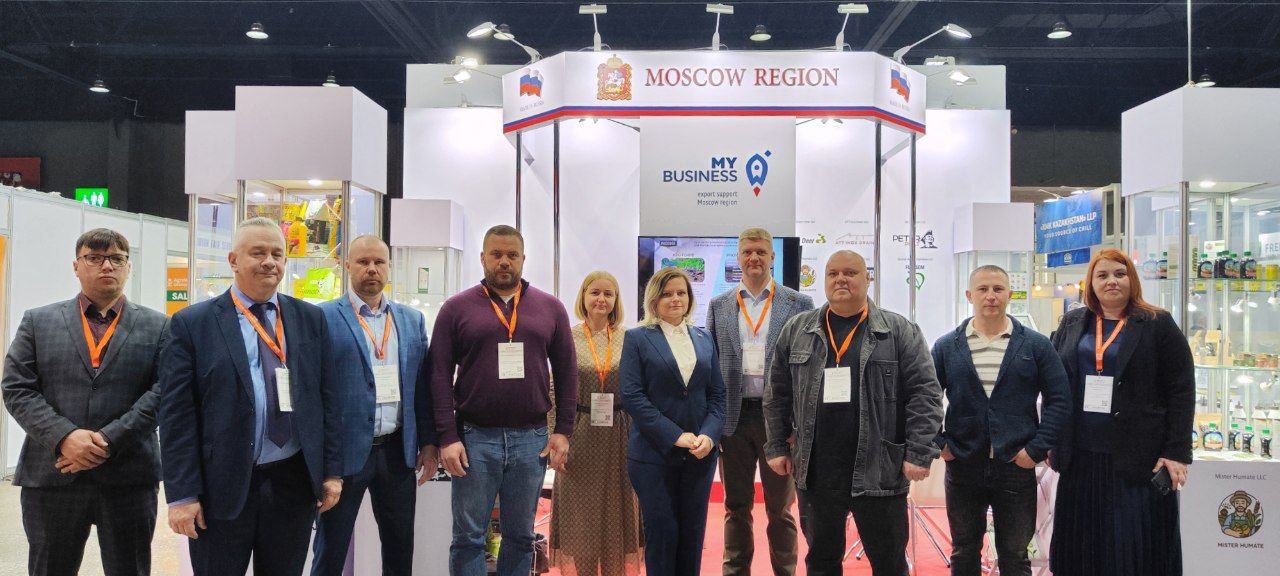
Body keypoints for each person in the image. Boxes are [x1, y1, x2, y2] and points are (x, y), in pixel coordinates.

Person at [159, 217, 344, 575]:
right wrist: (182, 495)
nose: (269, 262)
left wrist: (332, 472)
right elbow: (177, 416)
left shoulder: (309, 318)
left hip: (293, 483)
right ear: (233, 260)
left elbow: (327, 400)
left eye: (277, 254)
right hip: (220, 488)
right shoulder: (192, 324)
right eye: (258, 253)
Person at [1, 229, 170, 576]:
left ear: (128, 267)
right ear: (76, 266)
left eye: (116, 259)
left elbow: (164, 391)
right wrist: (65, 437)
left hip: (128, 476)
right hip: (53, 473)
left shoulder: (159, 326)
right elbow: (17, 388)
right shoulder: (38, 321)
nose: (106, 266)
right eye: (94, 258)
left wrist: (109, 440)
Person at [764, 250, 942, 576]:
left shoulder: (899, 331)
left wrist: (919, 452)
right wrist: (776, 445)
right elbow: (777, 393)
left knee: (889, 564)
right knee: (821, 563)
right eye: (833, 273)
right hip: (817, 472)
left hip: (880, 471)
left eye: (850, 272)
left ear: (867, 278)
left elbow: (925, 395)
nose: (841, 279)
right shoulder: (797, 330)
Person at [429, 224, 578, 576]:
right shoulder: (456, 309)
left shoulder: (550, 308)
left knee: (520, 537)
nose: (504, 261)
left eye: (512, 255)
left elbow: (567, 372)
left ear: (523, 259)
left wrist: (563, 430)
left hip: (532, 439)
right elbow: (437, 375)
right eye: (496, 254)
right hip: (474, 439)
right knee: (469, 538)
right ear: (483, 258)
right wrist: (447, 437)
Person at [1048, 248, 1194, 576]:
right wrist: (1050, 439)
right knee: (1082, 550)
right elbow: (1056, 384)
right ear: (1090, 283)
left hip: (1139, 460)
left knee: (1134, 551)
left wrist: (1176, 452)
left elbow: (1182, 390)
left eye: (1120, 273)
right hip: (1080, 457)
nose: (1111, 281)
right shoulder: (1073, 322)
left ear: (1132, 280)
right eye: (1102, 275)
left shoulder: (1157, 324)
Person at [930, 265, 1071, 576]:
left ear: (1010, 294)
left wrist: (1037, 449)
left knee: (1015, 555)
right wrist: (939, 443)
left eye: (998, 289)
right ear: (970, 295)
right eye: (983, 289)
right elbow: (925, 398)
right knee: (964, 550)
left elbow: (1060, 399)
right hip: (963, 464)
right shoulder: (946, 346)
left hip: (1016, 466)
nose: (991, 296)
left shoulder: (1036, 345)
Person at [311, 235, 437, 576]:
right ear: (347, 266)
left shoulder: (411, 320)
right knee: (331, 547)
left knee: (399, 547)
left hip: (397, 451)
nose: (372, 269)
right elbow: (314, 392)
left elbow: (421, 388)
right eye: (363, 262)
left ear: (389, 267)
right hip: (344, 453)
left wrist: (428, 442)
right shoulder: (322, 317)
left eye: (379, 262)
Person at [705, 227, 812, 576]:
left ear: (772, 257)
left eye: (761, 252)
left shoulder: (798, 304)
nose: (754, 258)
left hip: (778, 421)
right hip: (733, 420)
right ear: (738, 257)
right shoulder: (719, 305)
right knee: (735, 507)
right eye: (748, 252)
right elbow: (711, 366)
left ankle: (785, 571)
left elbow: (807, 369)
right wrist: (713, 421)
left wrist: (796, 424)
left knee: (780, 509)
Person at [620, 266, 726, 576]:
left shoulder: (704, 338)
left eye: (681, 292)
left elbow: (717, 395)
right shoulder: (637, 338)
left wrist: (710, 435)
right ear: (654, 299)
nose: (675, 299)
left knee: (692, 536)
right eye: (667, 293)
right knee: (663, 534)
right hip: (653, 456)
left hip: (699, 455)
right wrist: (674, 435)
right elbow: (633, 396)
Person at [549, 271, 643, 576]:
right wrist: (555, 437)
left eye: (608, 294)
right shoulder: (567, 337)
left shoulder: (630, 338)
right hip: (579, 433)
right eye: (595, 293)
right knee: (580, 515)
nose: (601, 299)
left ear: (616, 300)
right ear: (584, 297)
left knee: (619, 512)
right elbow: (554, 389)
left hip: (620, 434)